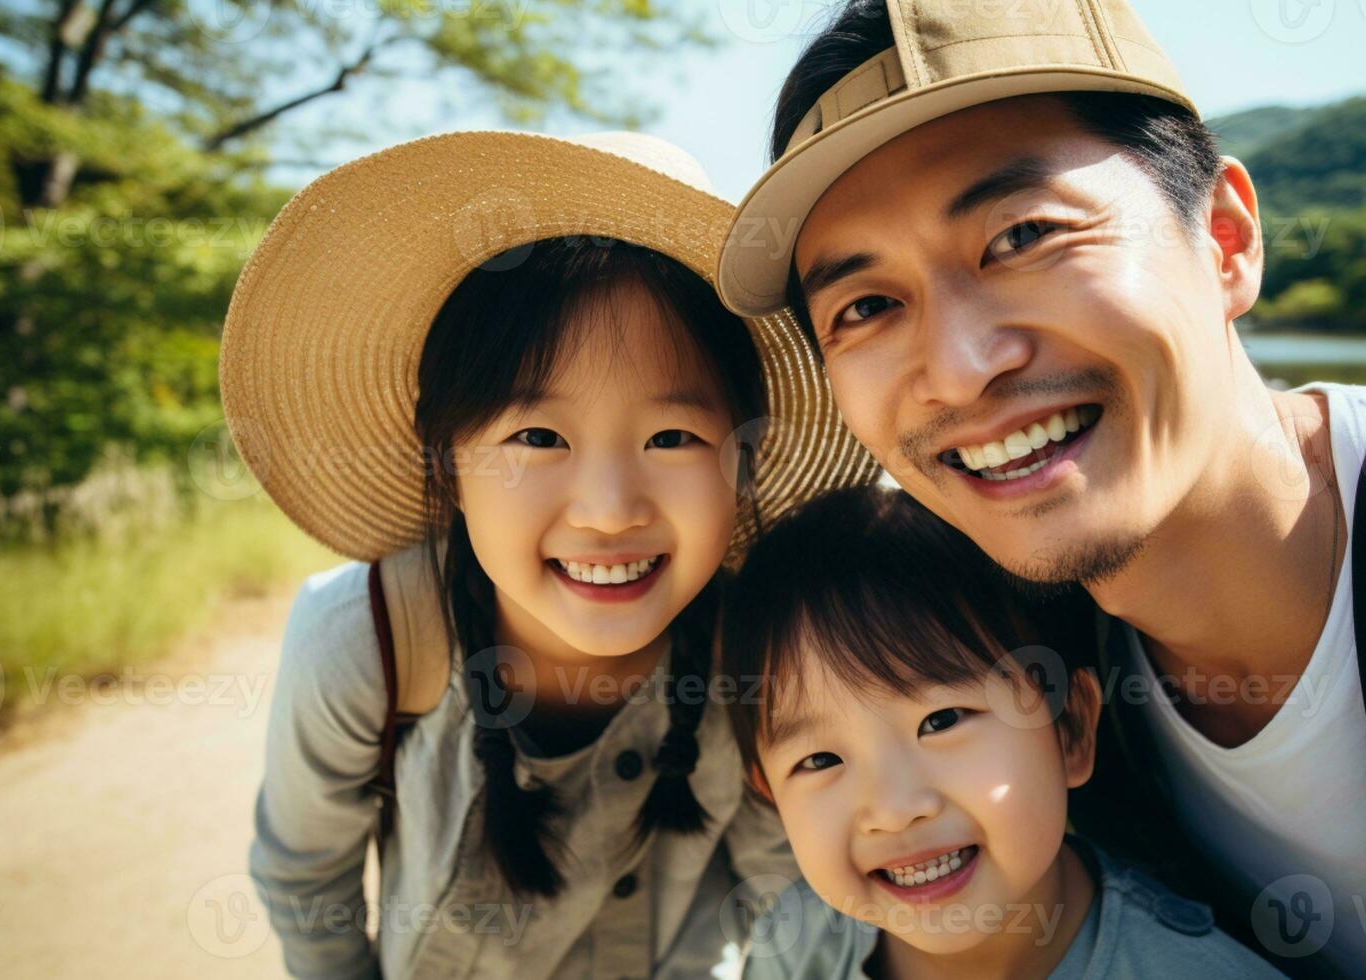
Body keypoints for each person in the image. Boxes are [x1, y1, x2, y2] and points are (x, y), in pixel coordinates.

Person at [714, 2, 1366, 977]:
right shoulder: (1000, 634)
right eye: (867, 305)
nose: (957, 369)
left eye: (1024, 234)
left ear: (1225, 238)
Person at [220, 130, 879, 978]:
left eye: (672, 437)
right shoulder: (368, 642)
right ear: (448, 463)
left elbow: (780, 890)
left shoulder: (758, 652)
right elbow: (307, 880)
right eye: (537, 436)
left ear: (743, 464)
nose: (608, 512)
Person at [717, 485, 1285, 979]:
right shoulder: (793, 948)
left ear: (1070, 729)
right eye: (819, 761)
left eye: (940, 722)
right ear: (769, 793)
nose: (893, 809)